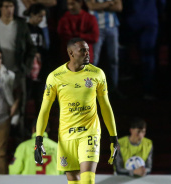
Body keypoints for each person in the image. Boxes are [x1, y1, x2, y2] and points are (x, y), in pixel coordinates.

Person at [34, 38, 119, 184]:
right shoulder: (55, 77)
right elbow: (44, 110)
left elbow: (105, 106)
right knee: (73, 180)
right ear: (71, 53)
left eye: (87, 49)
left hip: (89, 132)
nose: (88, 53)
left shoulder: (97, 74)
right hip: (67, 134)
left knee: (87, 179)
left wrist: (113, 136)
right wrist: (38, 138)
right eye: (83, 50)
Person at [0, 0, 36, 137]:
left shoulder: (21, 24)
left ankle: (18, 143)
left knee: (19, 107)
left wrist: (26, 68)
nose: (9, 9)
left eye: (11, 6)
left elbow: (31, 48)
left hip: (17, 72)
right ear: (0, 8)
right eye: (6, 6)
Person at [84, 0, 122, 96]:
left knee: (114, 60)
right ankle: (90, 90)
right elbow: (91, 6)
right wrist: (109, 3)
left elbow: (118, 7)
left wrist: (99, 5)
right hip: (95, 27)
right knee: (93, 60)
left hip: (112, 27)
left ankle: (114, 89)